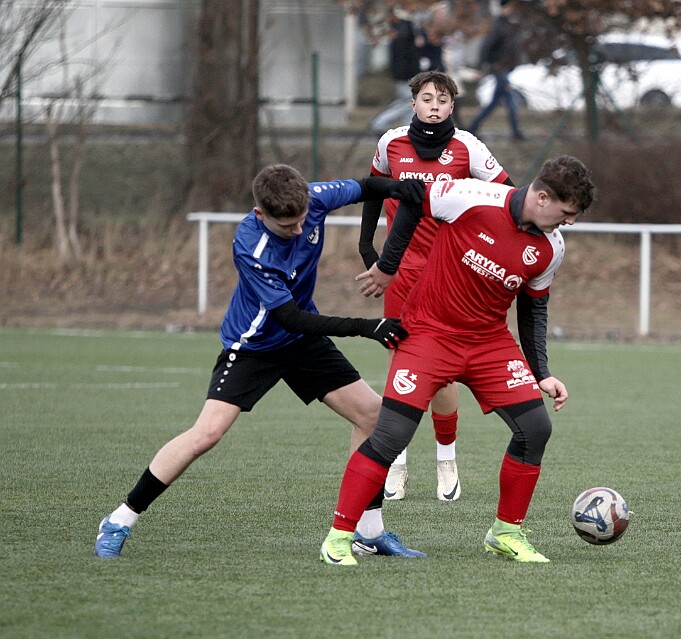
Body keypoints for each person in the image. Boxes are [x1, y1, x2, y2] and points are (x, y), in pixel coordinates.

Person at [94, 164, 428, 559]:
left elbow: (367, 186)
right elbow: (291, 318)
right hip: (254, 346)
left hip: (302, 342)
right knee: (207, 433)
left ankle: (368, 531)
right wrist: (366, 326)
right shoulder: (251, 246)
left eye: (302, 220)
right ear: (260, 214)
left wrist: (401, 187)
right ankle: (120, 519)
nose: (299, 231)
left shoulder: (315, 196)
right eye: (287, 227)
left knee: (373, 417)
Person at [320, 155, 596, 566]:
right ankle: (339, 536)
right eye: (566, 212)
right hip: (429, 334)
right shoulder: (470, 196)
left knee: (535, 429)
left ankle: (506, 533)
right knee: (392, 434)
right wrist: (388, 265)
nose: (569, 222)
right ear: (542, 198)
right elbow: (412, 199)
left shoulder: (551, 247)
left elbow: (534, 308)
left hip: (489, 343)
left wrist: (542, 372)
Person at [359, 70, 514, 506]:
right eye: (426, 98)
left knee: (441, 369)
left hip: (449, 276)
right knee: (401, 363)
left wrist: (488, 246)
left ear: (452, 106)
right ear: (413, 103)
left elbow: (508, 197)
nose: (433, 106)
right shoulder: (391, 143)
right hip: (401, 273)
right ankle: (396, 462)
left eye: (442, 100)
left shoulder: (468, 146)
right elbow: (373, 189)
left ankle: (447, 459)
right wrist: (365, 244)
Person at [466, 0, 525, 140]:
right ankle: (516, 132)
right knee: (509, 100)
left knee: (496, 102)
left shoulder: (508, 25)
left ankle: (473, 127)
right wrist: (484, 65)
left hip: (505, 68)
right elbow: (487, 46)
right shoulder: (498, 25)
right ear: (504, 8)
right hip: (499, 68)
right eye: (508, 7)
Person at [370, 10, 424, 135]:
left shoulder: (401, 31)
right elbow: (408, 55)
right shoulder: (405, 31)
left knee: (410, 104)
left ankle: (408, 130)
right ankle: (380, 122)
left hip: (404, 73)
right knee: (408, 101)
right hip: (406, 74)